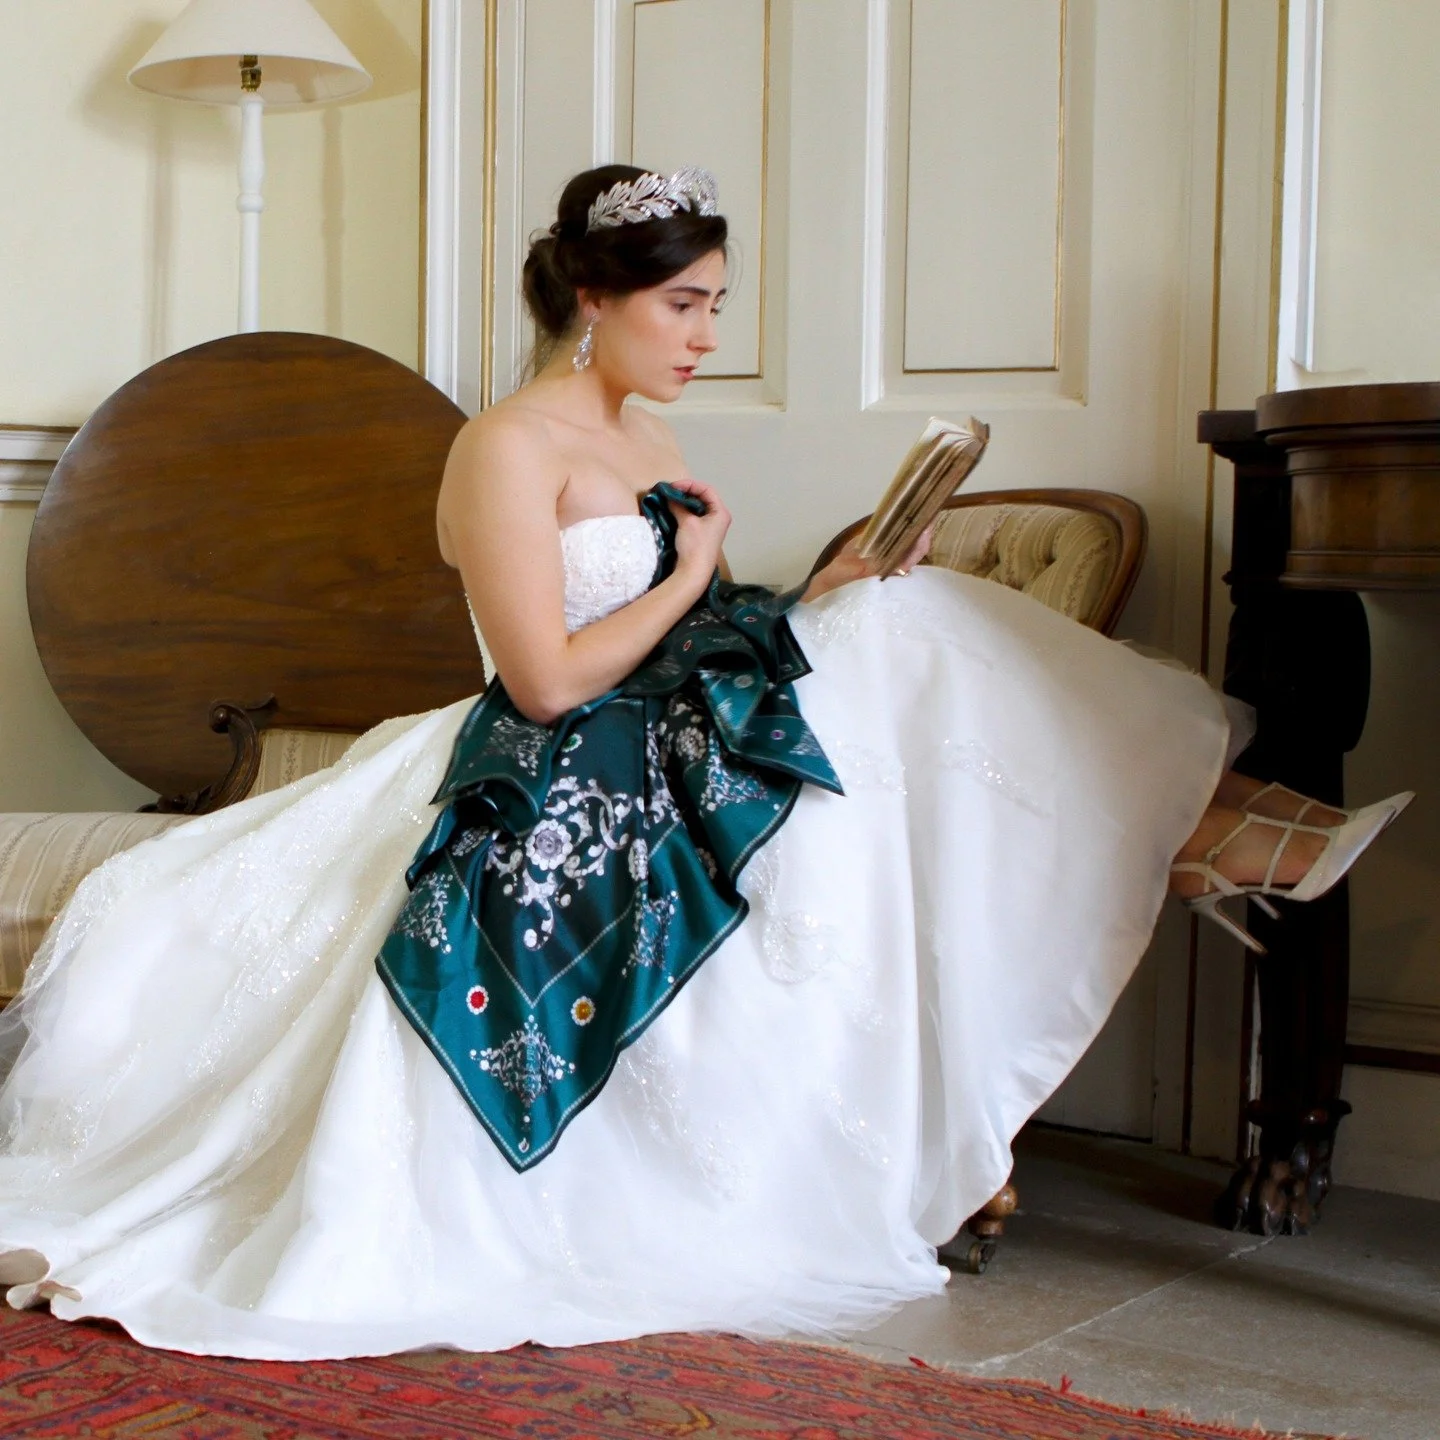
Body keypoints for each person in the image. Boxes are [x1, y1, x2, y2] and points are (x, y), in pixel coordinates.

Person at [0, 165, 1409, 1362]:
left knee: (890, 610)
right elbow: (547, 675)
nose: (704, 336)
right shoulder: (502, 447)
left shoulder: (648, 433)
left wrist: (812, 586)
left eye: (715, 306)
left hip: (644, 717)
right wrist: (693, 579)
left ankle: (1191, 817)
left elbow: (677, 629)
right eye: (683, 305)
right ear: (590, 298)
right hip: (546, 745)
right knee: (890, 645)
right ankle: (1204, 826)